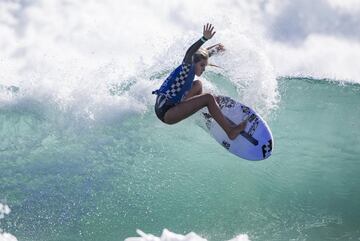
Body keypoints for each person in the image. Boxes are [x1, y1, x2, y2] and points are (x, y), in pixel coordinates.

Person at [152, 23, 247, 140]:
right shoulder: (186, 68)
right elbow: (190, 53)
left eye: (205, 66)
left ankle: (207, 110)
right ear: (193, 62)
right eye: (202, 66)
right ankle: (230, 131)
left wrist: (216, 49)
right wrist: (204, 39)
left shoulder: (194, 63)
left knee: (198, 85)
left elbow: (202, 55)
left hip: (170, 105)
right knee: (208, 98)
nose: (203, 69)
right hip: (167, 112)